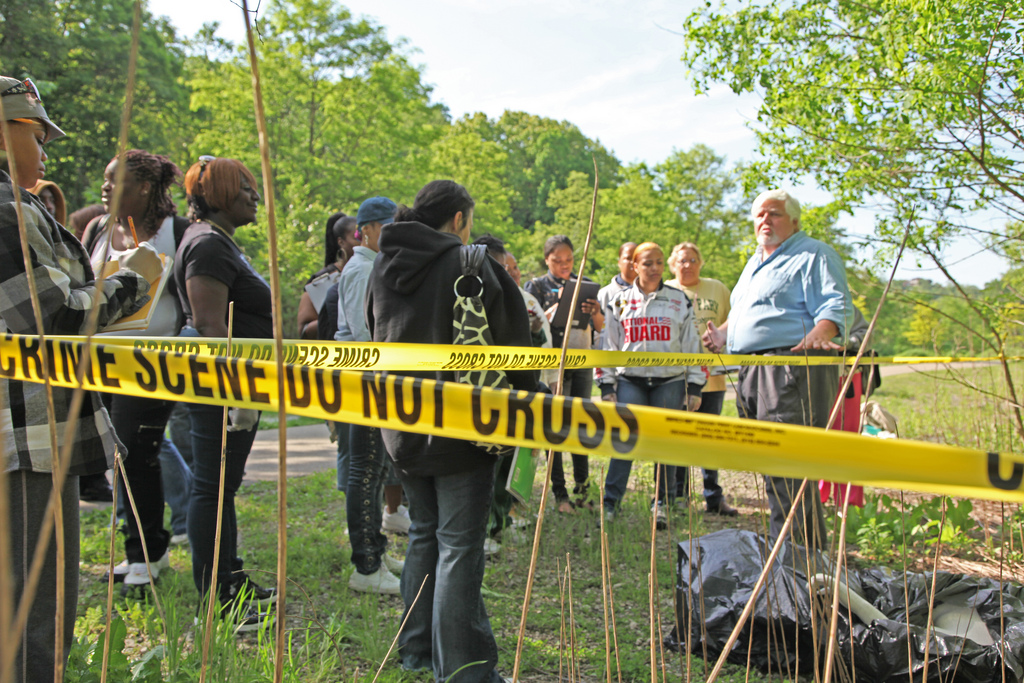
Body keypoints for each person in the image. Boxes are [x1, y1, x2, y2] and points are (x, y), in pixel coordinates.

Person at [0, 75, 159, 681]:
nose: (45, 150)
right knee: (34, 606)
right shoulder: (2, 210)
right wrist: (132, 280)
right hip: (25, 436)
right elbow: (56, 313)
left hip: (36, 431)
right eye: (36, 134)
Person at [366, 180, 538, 683]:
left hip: (399, 422)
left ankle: (418, 653)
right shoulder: (470, 262)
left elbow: (372, 328)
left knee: (425, 533)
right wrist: (528, 404)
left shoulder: (382, 263)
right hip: (463, 424)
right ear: (460, 219)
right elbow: (515, 342)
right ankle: (465, 673)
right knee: (458, 545)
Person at [703, 189, 853, 551]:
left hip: (790, 370)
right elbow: (746, 312)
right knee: (773, 467)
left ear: (795, 221)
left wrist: (822, 331)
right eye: (759, 215)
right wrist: (722, 335)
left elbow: (837, 304)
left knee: (790, 469)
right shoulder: (756, 262)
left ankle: (802, 562)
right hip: (754, 372)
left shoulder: (813, 254)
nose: (764, 221)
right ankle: (787, 554)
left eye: (774, 214)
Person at [80, 149, 193, 594]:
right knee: (114, 456)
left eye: (115, 180)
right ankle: (140, 552)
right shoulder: (96, 230)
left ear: (144, 187)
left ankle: (147, 555)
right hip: (100, 364)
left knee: (134, 452)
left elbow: (187, 301)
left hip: (151, 365)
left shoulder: (178, 233)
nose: (105, 188)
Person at [174, 156, 275, 627]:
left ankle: (230, 580)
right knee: (212, 487)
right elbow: (210, 325)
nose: (254, 196)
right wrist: (233, 394)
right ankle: (217, 598)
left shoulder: (218, 243)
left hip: (235, 385)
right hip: (221, 387)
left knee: (222, 487)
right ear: (219, 195)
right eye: (245, 188)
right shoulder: (209, 247)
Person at [596, 242, 705, 528]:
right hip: (630, 380)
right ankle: (610, 504)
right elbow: (608, 344)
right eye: (647, 263)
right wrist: (606, 385)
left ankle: (662, 505)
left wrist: (694, 385)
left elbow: (692, 345)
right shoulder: (618, 300)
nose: (654, 268)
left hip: (669, 381)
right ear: (634, 266)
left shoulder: (679, 299)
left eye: (658, 262)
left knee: (663, 443)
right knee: (625, 440)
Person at [337, 196, 407, 594]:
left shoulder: (374, 265)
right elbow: (365, 333)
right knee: (364, 472)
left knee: (378, 469)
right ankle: (365, 566)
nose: (395, 234)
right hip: (364, 379)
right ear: (369, 230)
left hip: (376, 379)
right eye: (390, 226)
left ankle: (376, 551)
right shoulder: (362, 269)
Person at [524, 235, 603, 513]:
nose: (564, 265)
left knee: (581, 423)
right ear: (547, 259)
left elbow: (600, 326)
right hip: (551, 363)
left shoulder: (586, 284)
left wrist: (595, 312)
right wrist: (550, 312)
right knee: (555, 425)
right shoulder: (535, 286)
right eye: (557, 261)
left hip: (581, 360)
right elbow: (529, 321)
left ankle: (583, 488)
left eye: (569, 260)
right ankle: (560, 494)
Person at [665, 242, 738, 516]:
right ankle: (680, 496)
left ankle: (713, 497)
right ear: (674, 265)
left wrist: (719, 332)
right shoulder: (668, 291)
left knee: (709, 437)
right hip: (678, 376)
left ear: (701, 262)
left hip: (713, 377)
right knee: (681, 436)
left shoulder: (717, 288)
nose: (688, 265)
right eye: (682, 260)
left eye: (693, 259)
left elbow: (735, 317)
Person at [297, 211, 358, 340]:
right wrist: (338, 318)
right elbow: (303, 330)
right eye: (357, 238)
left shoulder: (371, 271)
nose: (363, 242)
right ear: (341, 242)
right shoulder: (321, 280)